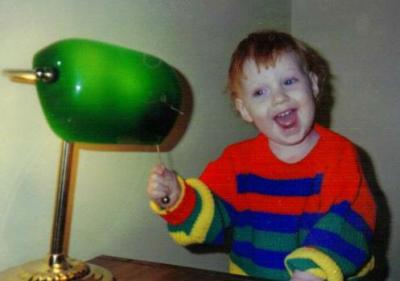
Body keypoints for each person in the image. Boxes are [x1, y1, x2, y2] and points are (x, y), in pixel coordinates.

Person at [147, 30, 376, 281]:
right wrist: (177, 198)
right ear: (245, 109)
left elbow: (350, 219)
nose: (279, 97)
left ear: (312, 83)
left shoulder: (339, 155)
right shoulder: (236, 161)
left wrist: (311, 271)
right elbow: (211, 216)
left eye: (289, 81)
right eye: (260, 92)